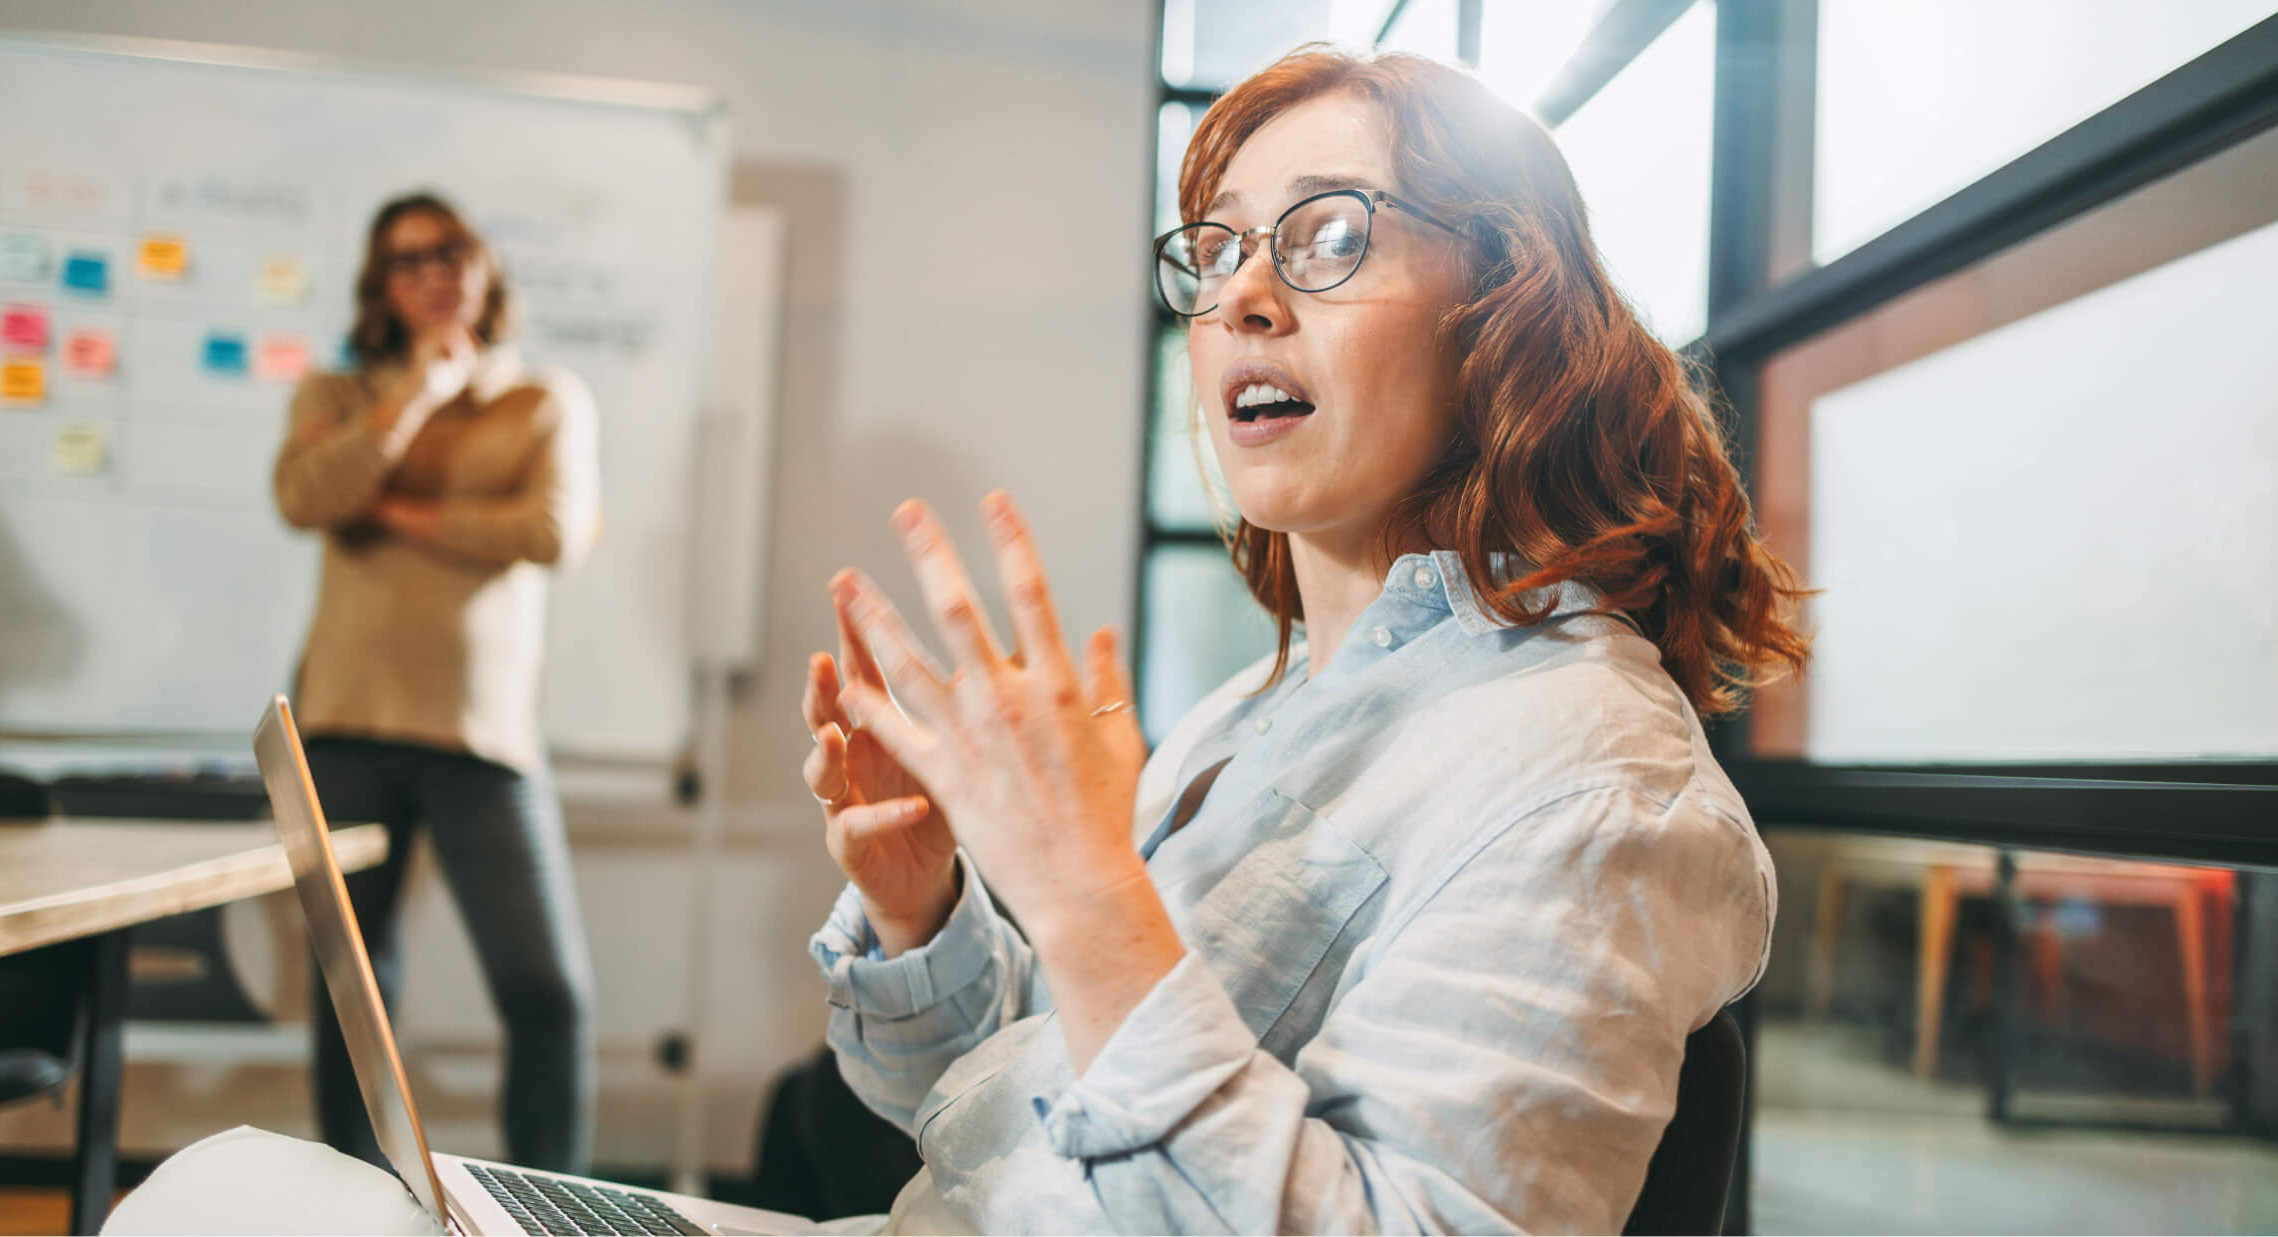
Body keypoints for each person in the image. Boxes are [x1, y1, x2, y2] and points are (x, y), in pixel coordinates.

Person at [797, 46, 1807, 1233]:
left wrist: (1085, 899)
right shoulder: (1245, 716)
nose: (1240, 298)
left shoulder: (1593, 774)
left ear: (1506, 312)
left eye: (1329, 236)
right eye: (1219, 248)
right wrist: (929, 907)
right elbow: (1028, 1124)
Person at [271, 192, 602, 1174]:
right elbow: (305, 498)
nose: (430, 273)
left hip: (481, 734)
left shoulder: (543, 400)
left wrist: (401, 514)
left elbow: (550, 533)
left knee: (548, 994)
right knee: (355, 999)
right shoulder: (335, 397)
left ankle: (553, 1207)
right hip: (343, 722)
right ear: (381, 286)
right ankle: (358, 1201)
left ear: (483, 264)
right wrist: (411, 399)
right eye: (405, 260)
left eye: (447, 251)